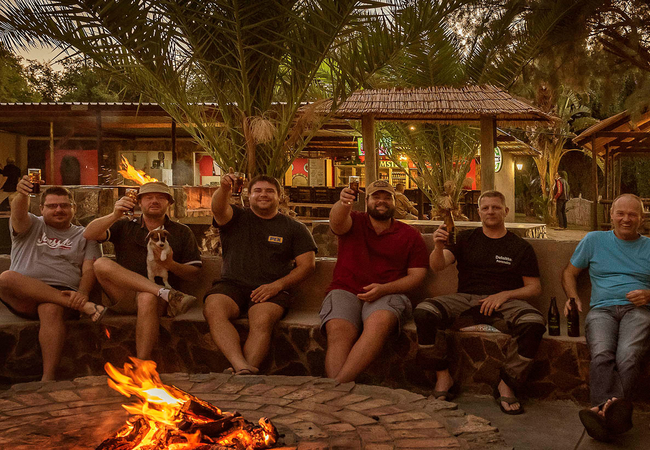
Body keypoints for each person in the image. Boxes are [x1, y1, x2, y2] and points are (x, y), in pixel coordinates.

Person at [414, 190, 545, 414]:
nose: (490, 211)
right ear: (479, 212)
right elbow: (437, 266)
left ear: (506, 211)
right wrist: (437, 247)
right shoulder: (466, 239)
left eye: (496, 207)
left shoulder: (520, 247)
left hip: (505, 303)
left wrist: (505, 295)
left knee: (534, 323)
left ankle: (506, 383)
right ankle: (443, 378)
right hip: (465, 300)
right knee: (424, 311)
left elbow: (534, 288)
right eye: (485, 208)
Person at [204, 171, 317, 375]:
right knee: (214, 309)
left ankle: (241, 371)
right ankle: (242, 367)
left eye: (269, 191)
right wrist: (224, 189)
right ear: (249, 195)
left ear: (279, 196)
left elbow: (307, 265)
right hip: (231, 285)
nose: (263, 194)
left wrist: (277, 286)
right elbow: (217, 208)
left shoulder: (295, 228)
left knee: (262, 319)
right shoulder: (235, 217)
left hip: (271, 289)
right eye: (257, 190)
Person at [562, 193, 650, 441]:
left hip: (638, 311)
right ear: (611, 216)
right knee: (602, 353)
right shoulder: (594, 240)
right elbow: (569, 273)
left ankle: (599, 411)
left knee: (628, 355)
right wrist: (573, 298)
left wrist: (648, 295)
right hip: (602, 310)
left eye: (632, 214)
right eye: (620, 213)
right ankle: (614, 412)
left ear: (642, 219)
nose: (626, 219)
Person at [322, 180, 428, 383]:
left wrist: (384, 289)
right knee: (338, 331)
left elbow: (417, 276)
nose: (381, 201)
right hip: (346, 289)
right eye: (376, 197)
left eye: (387, 197)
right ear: (367, 201)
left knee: (378, 325)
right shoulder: (353, 221)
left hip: (389, 293)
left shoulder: (410, 235)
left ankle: (336, 386)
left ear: (395, 202)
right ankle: (339, 386)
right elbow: (336, 222)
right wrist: (343, 203)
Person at [83, 181, 201, 360]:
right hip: (125, 295)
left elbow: (194, 274)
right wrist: (115, 215)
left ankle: (142, 365)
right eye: (148, 197)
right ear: (139, 202)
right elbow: (89, 234)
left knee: (147, 297)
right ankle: (163, 292)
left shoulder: (182, 232)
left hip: (158, 303)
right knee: (100, 263)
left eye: (160, 197)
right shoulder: (124, 226)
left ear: (169, 203)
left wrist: (170, 264)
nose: (154, 201)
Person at [0, 178, 104, 380]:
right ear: (41, 208)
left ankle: (48, 379)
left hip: (64, 293)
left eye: (64, 205)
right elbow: (18, 212)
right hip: (24, 294)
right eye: (52, 206)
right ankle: (85, 308)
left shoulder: (86, 234)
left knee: (50, 309)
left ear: (74, 208)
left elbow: (89, 270)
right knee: (6, 277)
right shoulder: (31, 224)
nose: (58, 210)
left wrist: (82, 293)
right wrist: (22, 194)